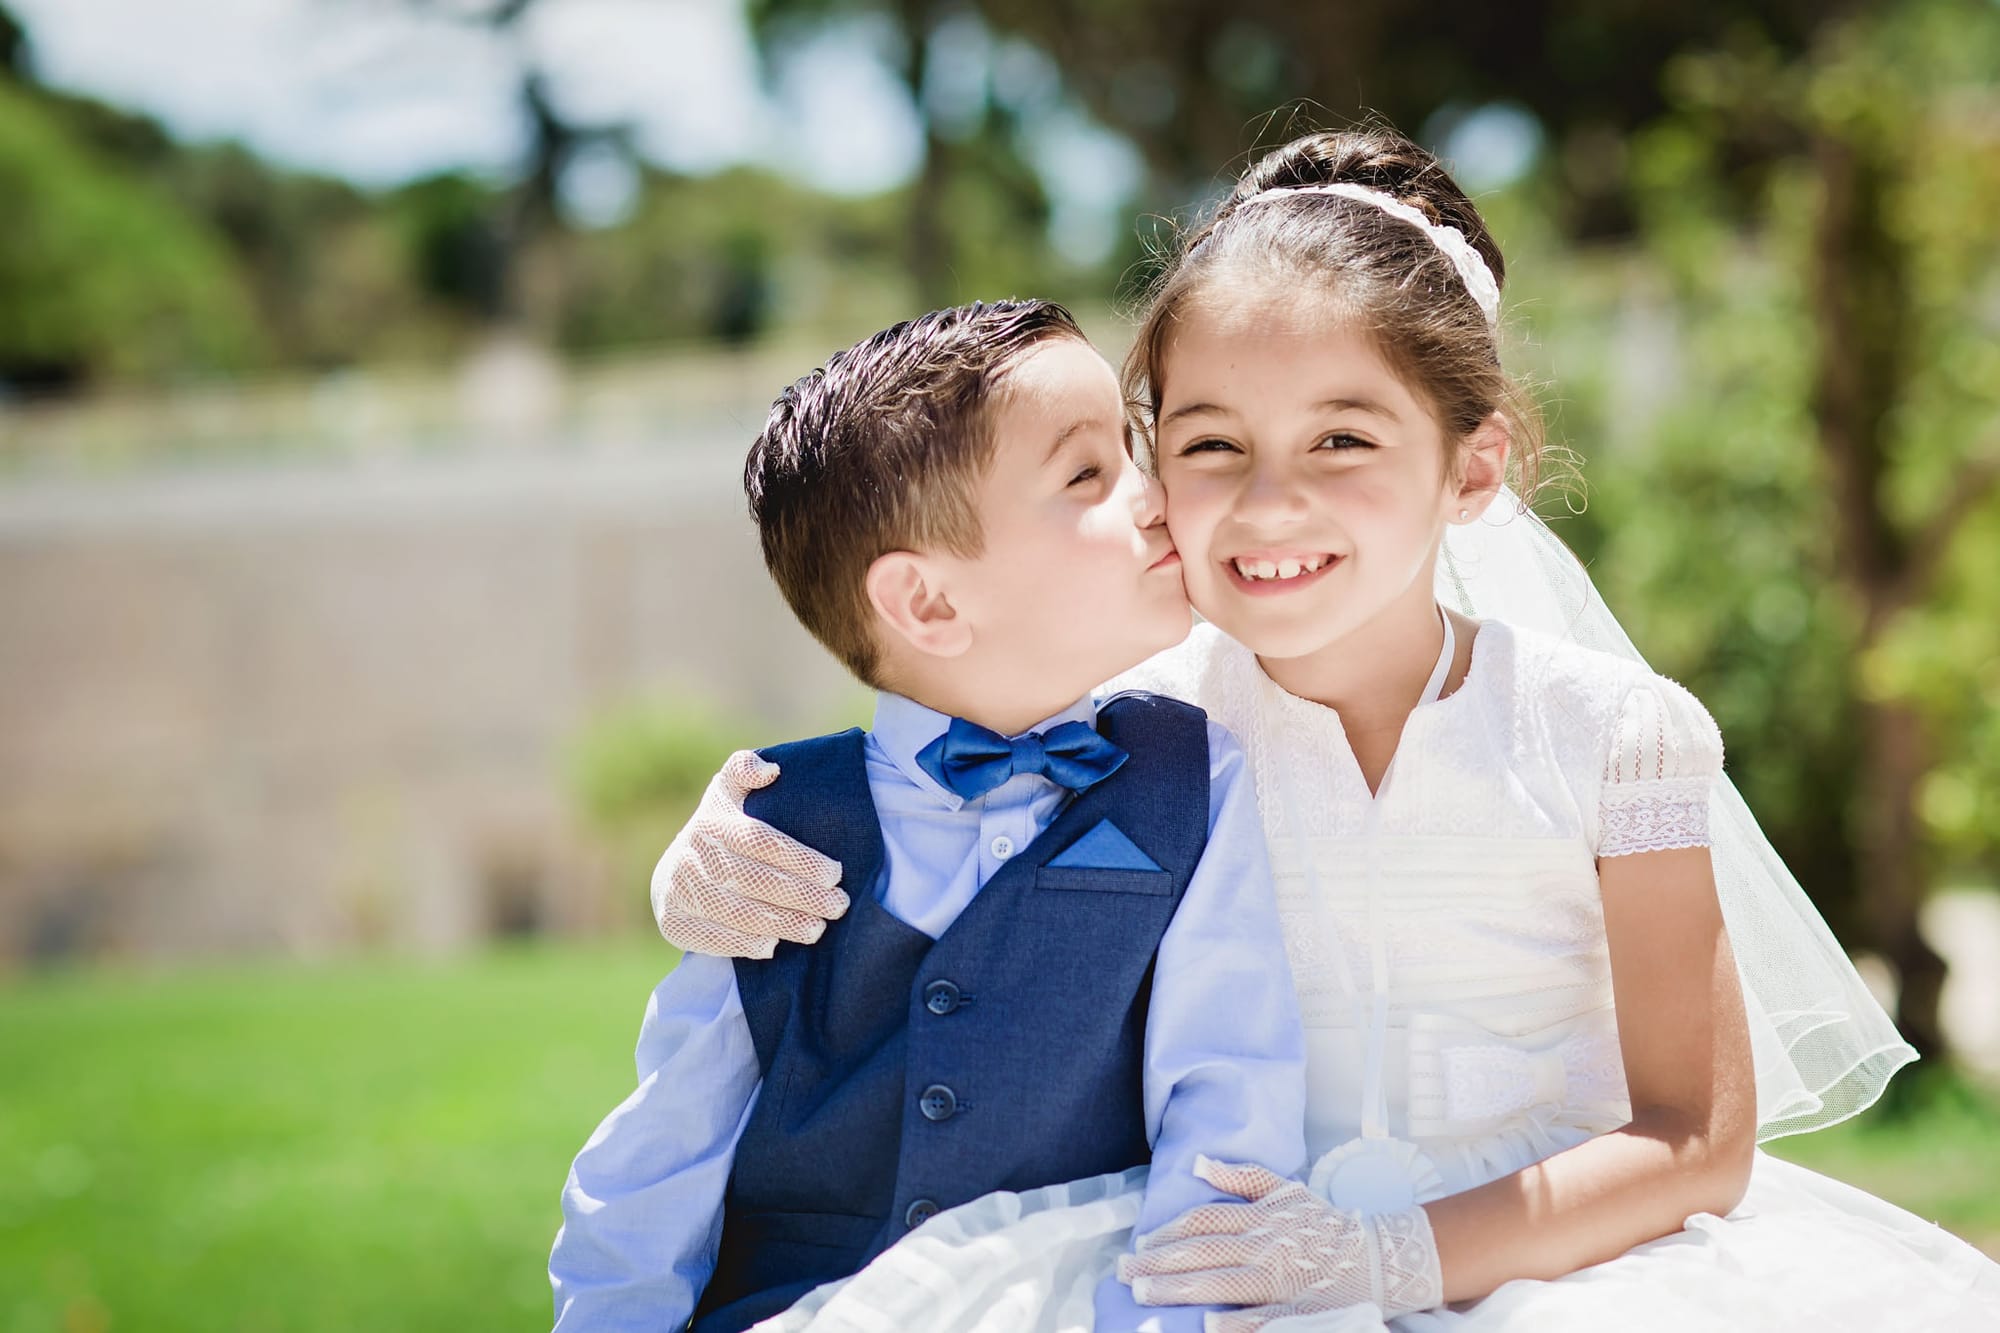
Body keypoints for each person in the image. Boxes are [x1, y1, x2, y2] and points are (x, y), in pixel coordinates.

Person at [647, 129, 2000, 1331]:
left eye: (1344, 441)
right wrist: (718, 827)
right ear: (1153, 453)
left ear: (1474, 465)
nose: (1269, 505)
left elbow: (1696, 1136)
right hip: (1221, 1248)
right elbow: (935, 741)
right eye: (1213, 445)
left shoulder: (1610, 734)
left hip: (1572, 1258)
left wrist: (1388, 1256)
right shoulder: (1147, 718)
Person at [547, 299, 1309, 1333]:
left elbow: (1225, 1103)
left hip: (1083, 1298)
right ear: (928, 604)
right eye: (1089, 474)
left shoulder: (1193, 778)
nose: (1153, 493)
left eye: (1134, 450)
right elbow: (663, 1153)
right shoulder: (776, 828)